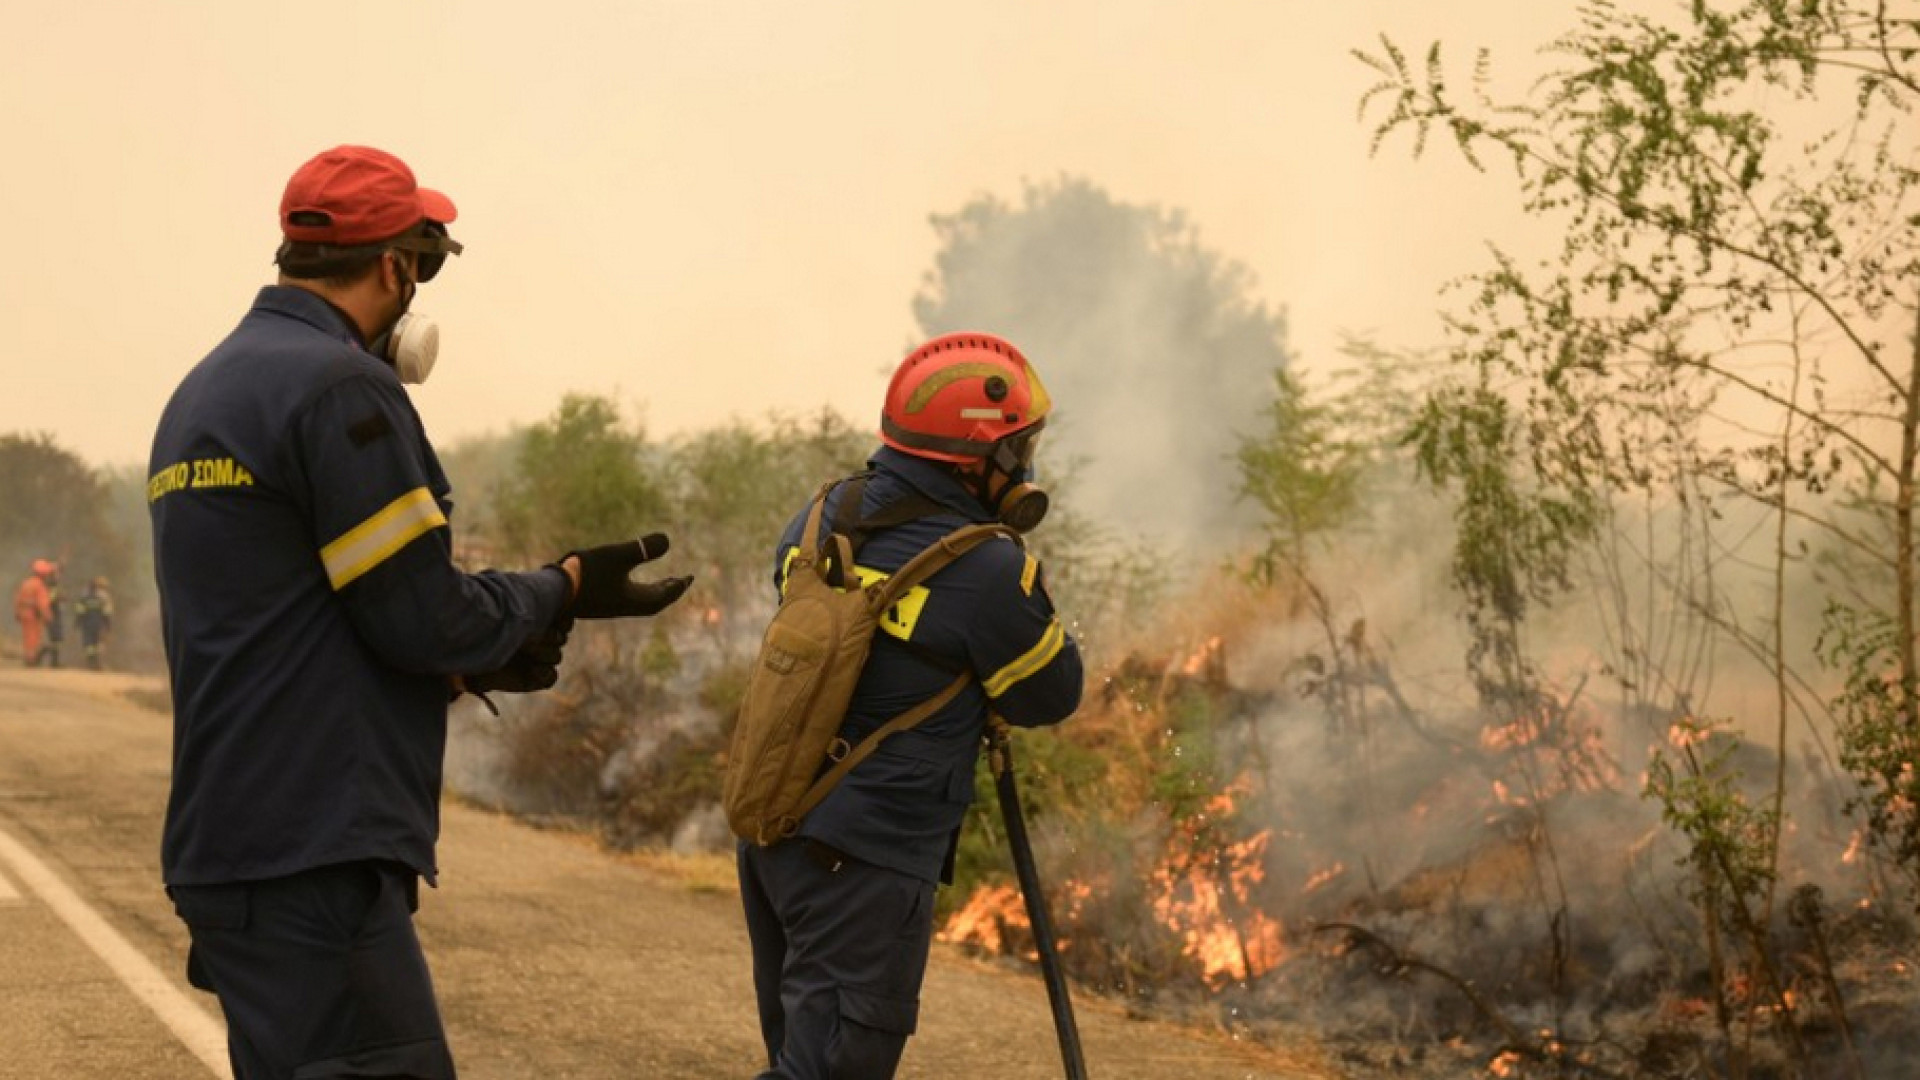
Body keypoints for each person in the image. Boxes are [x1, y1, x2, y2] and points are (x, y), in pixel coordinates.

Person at [148, 144, 693, 1080]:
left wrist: (478, 657)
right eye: (423, 264)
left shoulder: (204, 392)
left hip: (231, 842)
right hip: (313, 851)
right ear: (398, 266)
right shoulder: (342, 387)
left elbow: (299, 618)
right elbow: (420, 618)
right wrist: (558, 588)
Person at [737, 331, 1084, 1079]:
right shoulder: (989, 568)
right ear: (976, 459)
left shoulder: (819, 517)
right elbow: (1053, 695)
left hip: (776, 840)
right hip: (862, 866)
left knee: (799, 1062)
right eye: (1018, 448)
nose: (1025, 465)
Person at [12, 559, 54, 667]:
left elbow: (18, 598)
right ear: (44, 574)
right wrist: (48, 616)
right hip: (33, 614)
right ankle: (31, 660)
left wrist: (17, 612)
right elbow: (42, 604)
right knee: (34, 637)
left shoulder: (26, 583)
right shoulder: (40, 586)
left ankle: (28, 657)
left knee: (27, 636)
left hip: (23, 613)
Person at [74, 576, 113, 670]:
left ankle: (91, 662)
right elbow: (107, 612)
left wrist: (77, 622)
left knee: (89, 644)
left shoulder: (84, 597)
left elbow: (80, 611)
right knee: (98, 643)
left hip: (87, 624)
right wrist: (108, 625)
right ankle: (97, 663)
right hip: (98, 623)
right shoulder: (103, 597)